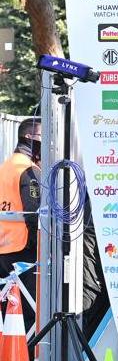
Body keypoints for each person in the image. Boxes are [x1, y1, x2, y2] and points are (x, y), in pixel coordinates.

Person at [0, 118, 41, 334]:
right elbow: (34, 213)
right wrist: (41, 247)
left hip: (4, 249)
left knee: (9, 309)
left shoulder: (5, 167)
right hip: (24, 251)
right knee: (29, 312)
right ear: (29, 137)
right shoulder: (28, 170)